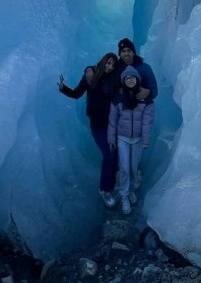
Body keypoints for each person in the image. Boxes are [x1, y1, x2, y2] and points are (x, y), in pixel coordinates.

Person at [58, 52, 120, 208]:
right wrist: (63, 88)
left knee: (114, 154)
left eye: (113, 65)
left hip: (112, 124)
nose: (110, 66)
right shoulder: (90, 75)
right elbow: (76, 93)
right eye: (108, 62)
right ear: (103, 61)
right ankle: (104, 189)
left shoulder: (114, 79)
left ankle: (112, 184)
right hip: (97, 125)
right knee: (108, 155)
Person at [108, 65, 155, 215]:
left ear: (137, 79)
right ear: (123, 80)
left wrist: (146, 140)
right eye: (127, 78)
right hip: (122, 138)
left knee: (134, 167)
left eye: (132, 77)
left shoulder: (146, 99)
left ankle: (132, 190)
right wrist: (111, 138)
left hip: (138, 139)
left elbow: (147, 121)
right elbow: (112, 120)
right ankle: (124, 196)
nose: (129, 80)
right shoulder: (118, 98)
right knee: (124, 168)